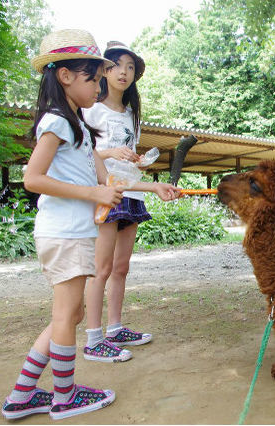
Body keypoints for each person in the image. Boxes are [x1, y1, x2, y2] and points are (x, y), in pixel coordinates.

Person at [0, 29, 179, 421]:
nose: (99, 85)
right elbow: (32, 178)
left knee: (69, 316)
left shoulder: (79, 126)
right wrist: (93, 196)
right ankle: (65, 396)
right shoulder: (58, 122)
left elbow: (109, 182)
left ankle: (22, 394)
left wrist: (154, 186)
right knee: (67, 316)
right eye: (93, 78)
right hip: (63, 233)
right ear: (65, 76)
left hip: (73, 233)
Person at [81, 41, 171, 362]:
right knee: (101, 269)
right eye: (117, 65)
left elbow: (126, 155)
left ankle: (115, 329)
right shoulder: (91, 108)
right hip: (106, 192)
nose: (124, 72)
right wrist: (110, 152)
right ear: (104, 71)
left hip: (131, 192)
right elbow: (87, 154)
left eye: (130, 67)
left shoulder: (132, 113)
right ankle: (93, 339)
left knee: (121, 267)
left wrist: (140, 161)